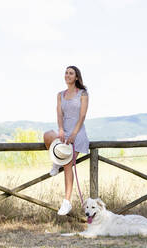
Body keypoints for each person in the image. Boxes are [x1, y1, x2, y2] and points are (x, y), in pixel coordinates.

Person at [44, 65, 89, 215]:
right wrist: (61, 129)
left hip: (78, 132)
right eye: (66, 73)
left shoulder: (82, 94)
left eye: (71, 73)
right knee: (48, 135)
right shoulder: (60, 94)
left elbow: (82, 116)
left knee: (69, 164)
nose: (67, 75)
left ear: (76, 77)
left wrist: (74, 134)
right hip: (65, 130)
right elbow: (59, 115)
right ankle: (56, 162)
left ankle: (67, 202)